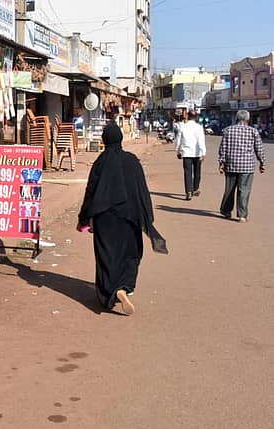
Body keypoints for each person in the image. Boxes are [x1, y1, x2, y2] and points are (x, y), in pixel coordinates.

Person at [77, 124, 166, 315]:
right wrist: (146, 217)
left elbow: (91, 191)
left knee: (107, 255)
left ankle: (109, 292)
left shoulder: (101, 162)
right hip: (130, 217)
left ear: (105, 140)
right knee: (130, 253)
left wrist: (84, 218)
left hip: (105, 219)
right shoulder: (132, 161)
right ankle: (124, 286)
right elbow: (142, 191)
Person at [218, 109, 266, 222]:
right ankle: (242, 215)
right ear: (247, 119)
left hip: (231, 164)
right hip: (247, 166)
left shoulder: (228, 130)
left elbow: (223, 148)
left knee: (229, 189)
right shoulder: (253, 131)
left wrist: (221, 163)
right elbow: (259, 149)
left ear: (237, 118)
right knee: (244, 190)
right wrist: (262, 162)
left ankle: (226, 211)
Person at [176, 110, 207, 200]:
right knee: (197, 172)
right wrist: (203, 153)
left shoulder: (183, 127)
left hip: (186, 153)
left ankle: (188, 191)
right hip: (197, 153)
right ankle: (195, 188)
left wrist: (178, 151)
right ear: (196, 117)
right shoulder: (199, 127)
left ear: (187, 116)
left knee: (187, 173)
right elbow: (201, 141)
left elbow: (178, 140)